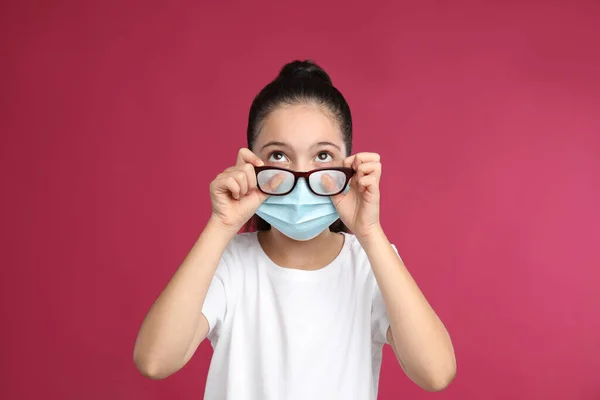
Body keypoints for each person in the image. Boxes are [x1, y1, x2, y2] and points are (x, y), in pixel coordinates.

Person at [133, 60, 456, 399]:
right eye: (279, 156)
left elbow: (435, 372)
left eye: (322, 155)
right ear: (250, 163)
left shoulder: (368, 264)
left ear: (350, 165)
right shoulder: (229, 263)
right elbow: (155, 361)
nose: (302, 177)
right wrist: (221, 224)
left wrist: (370, 232)